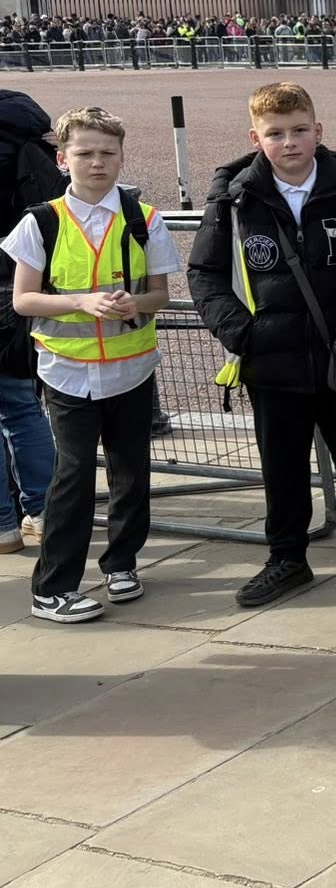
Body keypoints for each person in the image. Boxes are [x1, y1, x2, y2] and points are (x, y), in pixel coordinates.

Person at [189, 83, 336, 607]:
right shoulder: (235, 199)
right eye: (276, 133)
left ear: (318, 131)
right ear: (255, 138)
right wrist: (241, 333)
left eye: (300, 130)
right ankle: (287, 558)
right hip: (270, 359)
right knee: (282, 469)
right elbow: (205, 273)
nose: (289, 142)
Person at [5, 109, 176, 622]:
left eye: (107, 153)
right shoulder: (41, 221)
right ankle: (52, 588)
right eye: (84, 153)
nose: (96, 162)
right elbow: (23, 300)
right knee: (73, 478)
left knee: (131, 473)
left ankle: (122, 563)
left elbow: (161, 295)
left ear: (121, 157)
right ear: (63, 159)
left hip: (132, 369)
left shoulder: (144, 219)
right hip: (68, 373)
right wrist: (81, 301)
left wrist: (134, 303)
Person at [0, 89, 63, 553]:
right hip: (21, 285)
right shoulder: (28, 130)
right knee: (23, 407)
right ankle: (45, 512)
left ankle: (3, 526)